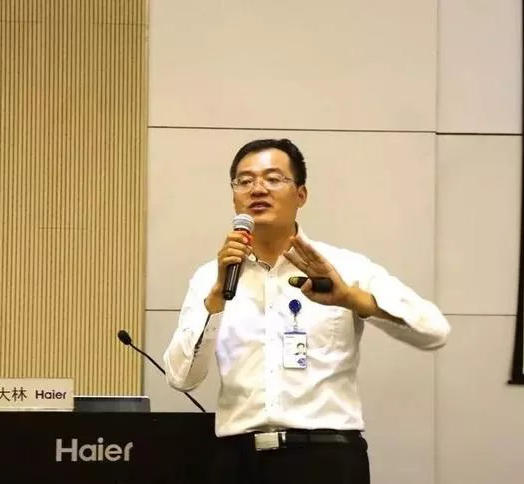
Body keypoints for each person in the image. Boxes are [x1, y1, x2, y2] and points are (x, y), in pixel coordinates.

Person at [163, 138, 450, 484]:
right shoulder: (211, 277)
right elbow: (181, 378)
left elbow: (434, 331)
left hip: (326, 459)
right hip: (238, 460)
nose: (257, 189)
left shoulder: (343, 266)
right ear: (234, 196)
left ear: (301, 195)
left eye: (273, 179)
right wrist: (216, 297)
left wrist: (351, 299)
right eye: (245, 181)